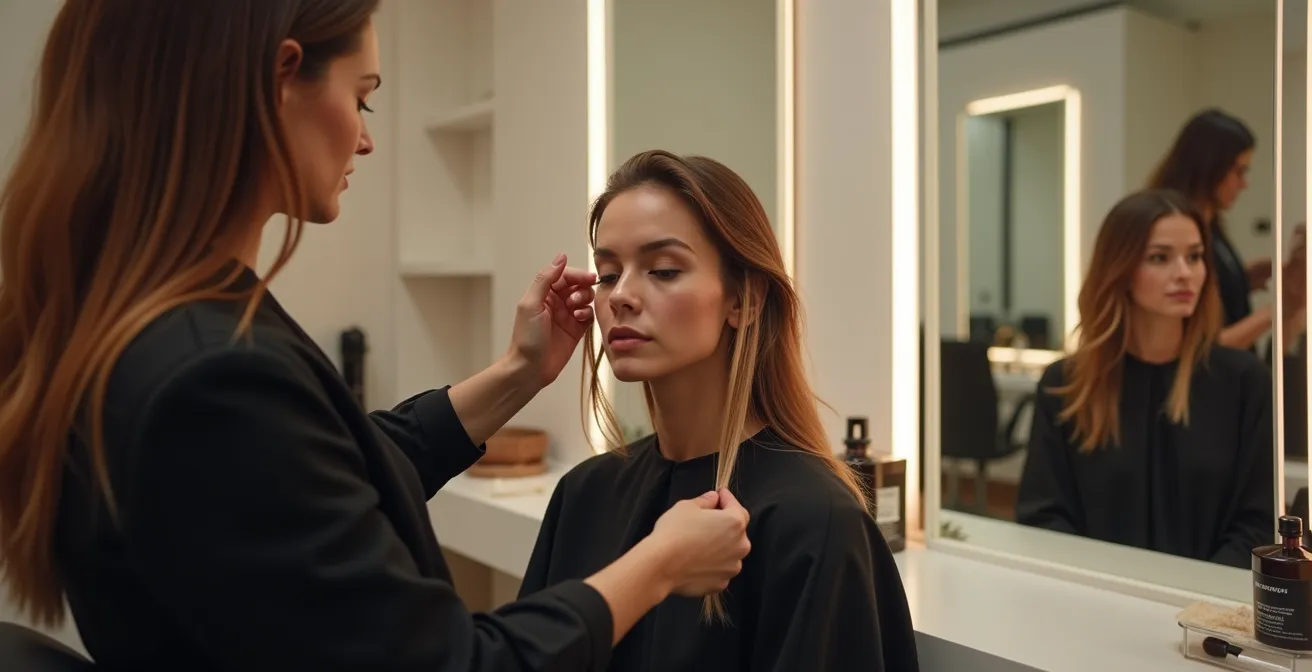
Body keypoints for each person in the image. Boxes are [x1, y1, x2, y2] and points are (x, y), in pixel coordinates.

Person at [0, 2, 752, 670]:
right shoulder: (207, 372)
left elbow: (320, 475)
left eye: (663, 269)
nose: (364, 139)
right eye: (362, 99)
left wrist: (518, 373)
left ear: (744, 300)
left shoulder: (147, 332)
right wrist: (656, 565)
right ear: (281, 80)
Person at [518, 150, 920, 671]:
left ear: (745, 301)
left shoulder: (813, 520)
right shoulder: (583, 494)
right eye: (608, 274)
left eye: (663, 270)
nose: (621, 296)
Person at [1015, 189, 1274, 569]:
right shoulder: (1066, 384)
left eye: (1195, 256)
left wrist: (1197, 602)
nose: (1184, 272)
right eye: (1160, 257)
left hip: (1210, 616)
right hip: (1095, 607)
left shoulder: (1243, 382)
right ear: (1119, 269)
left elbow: (1257, 525)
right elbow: (1043, 518)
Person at [1147, 108, 1306, 351]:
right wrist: (1278, 309)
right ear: (1210, 166)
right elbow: (1198, 350)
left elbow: (1208, 296)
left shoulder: (1211, 227)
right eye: (1239, 171)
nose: (1244, 184)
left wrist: (1243, 278)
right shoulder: (1174, 228)